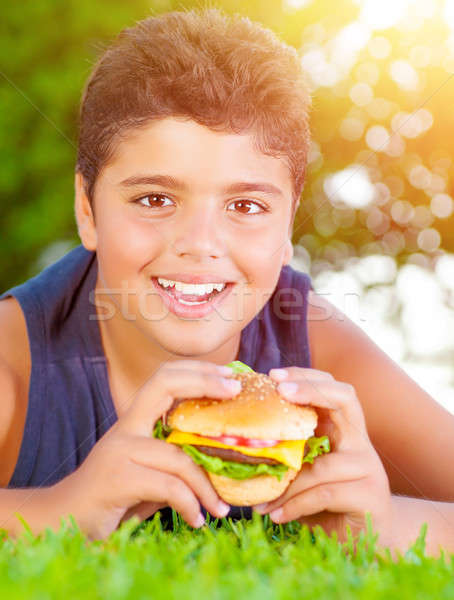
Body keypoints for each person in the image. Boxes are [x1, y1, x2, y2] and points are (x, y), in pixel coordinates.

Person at [0, 7, 453, 559]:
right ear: (87, 210)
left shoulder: (315, 351)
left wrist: (387, 522)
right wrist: (58, 511)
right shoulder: (16, 367)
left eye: (245, 205)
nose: (200, 243)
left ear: (287, 228)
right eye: (155, 199)